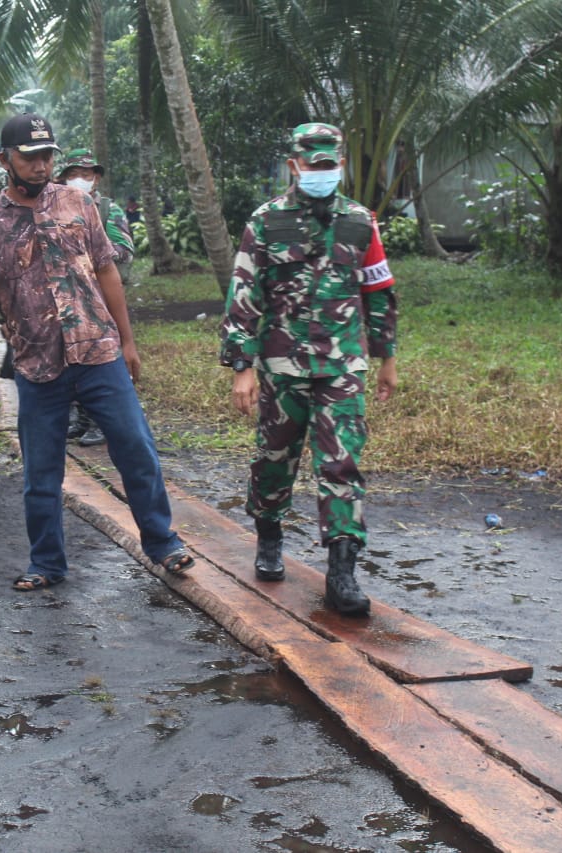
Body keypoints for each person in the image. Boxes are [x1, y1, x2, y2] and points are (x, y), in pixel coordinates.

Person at [0, 113, 194, 591]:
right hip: (37, 364)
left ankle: (163, 543)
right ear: (5, 159)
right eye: (29, 157)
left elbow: (107, 270)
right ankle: (46, 563)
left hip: (98, 352)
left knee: (135, 447)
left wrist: (127, 340)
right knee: (41, 472)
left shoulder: (77, 204)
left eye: (48, 156)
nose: (41, 165)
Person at [220, 122, 398, 617]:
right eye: (314, 164)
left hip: (342, 364)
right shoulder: (266, 222)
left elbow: (378, 291)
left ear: (339, 165)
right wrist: (242, 365)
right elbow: (244, 294)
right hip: (283, 364)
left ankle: (341, 571)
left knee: (342, 463)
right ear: (294, 165)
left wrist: (388, 359)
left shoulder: (361, 222)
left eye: (331, 164)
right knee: (276, 457)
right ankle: (269, 537)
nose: (323, 172)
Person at [55, 148, 137, 447]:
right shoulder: (55, 209)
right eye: (73, 174)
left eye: (86, 175)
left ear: (96, 179)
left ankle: (102, 423)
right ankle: (81, 419)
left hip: (101, 298)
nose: (80, 180)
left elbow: (125, 249)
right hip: (68, 300)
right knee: (71, 359)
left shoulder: (107, 210)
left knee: (101, 361)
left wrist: (95, 254)